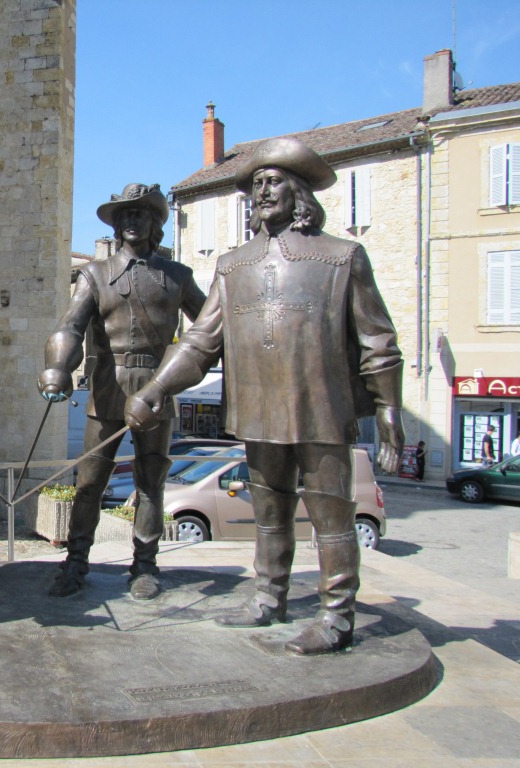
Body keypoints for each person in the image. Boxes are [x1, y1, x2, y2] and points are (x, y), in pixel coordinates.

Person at [125, 138, 404, 653]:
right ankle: (268, 597)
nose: (262, 192)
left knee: (332, 516)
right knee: (269, 511)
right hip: (258, 409)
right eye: (256, 184)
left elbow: (378, 341)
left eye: (273, 181)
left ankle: (337, 615)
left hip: (322, 410)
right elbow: (200, 341)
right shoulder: (234, 266)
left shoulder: (342, 257)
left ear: (299, 192)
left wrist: (388, 408)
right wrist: (157, 388)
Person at [38, 183, 207, 600]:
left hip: (157, 389)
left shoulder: (178, 276)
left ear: (156, 221)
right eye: (125, 214)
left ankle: (145, 565)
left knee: (151, 482)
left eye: (140, 213)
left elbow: (209, 328)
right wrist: (58, 367)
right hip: (106, 390)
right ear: (116, 225)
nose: (132, 220)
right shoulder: (94, 275)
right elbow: (70, 326)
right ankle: (76, 561)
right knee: (90, 482)